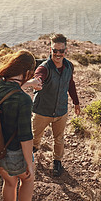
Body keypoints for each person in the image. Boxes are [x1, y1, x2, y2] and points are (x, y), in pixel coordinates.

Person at [0, 50, 42, 201]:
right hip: (15, 152)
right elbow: (26, 137)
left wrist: (28, 83)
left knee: (9, 183)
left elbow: (12, 89)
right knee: (28, 180)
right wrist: (29, 164)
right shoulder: (23, 100)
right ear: (25, 72)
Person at [28, 33, 80, 177]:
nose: (58, 54)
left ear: (66, 51)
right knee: (34, 137)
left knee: (59, 138)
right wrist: (37, 83)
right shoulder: (44, 68)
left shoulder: (69, 66)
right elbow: (39, 78)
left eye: (61, 51)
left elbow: (70, 83)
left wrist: (76, 102)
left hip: (61, 111)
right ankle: (31, 154)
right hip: (42, 111)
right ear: (50, 50)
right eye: (54, 50)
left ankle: (57, 161)